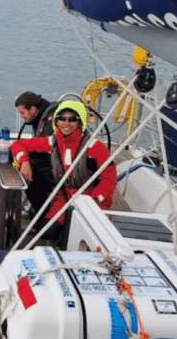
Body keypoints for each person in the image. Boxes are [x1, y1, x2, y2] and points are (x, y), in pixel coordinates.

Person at [10, 101, 116, 240]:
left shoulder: (96, 148)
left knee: (84, 237)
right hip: (64, 198)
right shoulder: (52, 142)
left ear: (80, 122)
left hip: (90, 201)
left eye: (72, 119)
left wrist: (94, 200)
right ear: (56, 120)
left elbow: (109, 179)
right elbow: (18, 145)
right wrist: (24, 162)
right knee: (47, 233)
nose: (66, 123)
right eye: (62, 118)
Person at [14, 92, 59, 214]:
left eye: (23, 113)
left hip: (61, 164)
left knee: (32, 175)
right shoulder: (40, 118)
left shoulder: (49, 122)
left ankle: (43, 215)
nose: (22, 116)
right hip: (53, 157)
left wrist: (27, 163)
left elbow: (48, 148)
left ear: (33, 109)